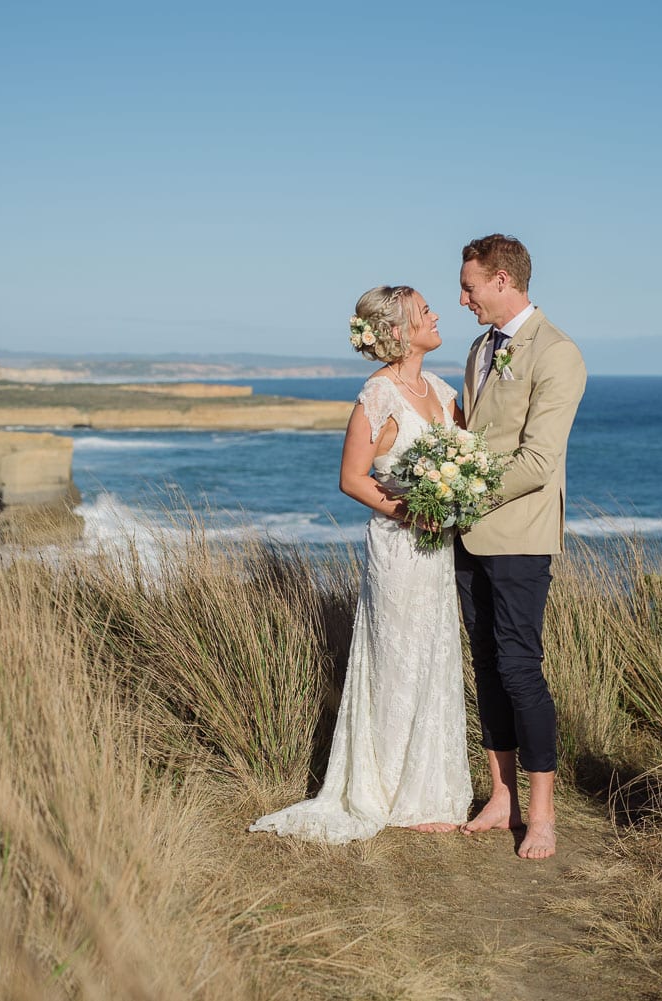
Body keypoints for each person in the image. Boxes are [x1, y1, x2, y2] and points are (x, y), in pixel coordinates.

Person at [249, 285, 472, 842]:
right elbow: (352, 478)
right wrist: (410, 511)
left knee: (434, 655)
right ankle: (385, 790)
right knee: (395, 658)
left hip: (439, 549)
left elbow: (469, 459)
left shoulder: (444, 394)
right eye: (425, 311)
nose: (436, 315)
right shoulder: (377, 395)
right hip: (399, 547)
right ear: (398, 331)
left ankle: (430, 790)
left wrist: (455, 498)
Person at [454, 234, 587, 860]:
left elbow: (537, 461)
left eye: (470, 287)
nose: (463, 299)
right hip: (469, 534)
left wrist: (455, 497)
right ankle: (501, 796)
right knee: (484, 665)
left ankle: (542, 813)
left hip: (519, 535)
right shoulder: (480, 348)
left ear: (502, 280)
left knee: (519, 668)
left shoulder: (558, 354)